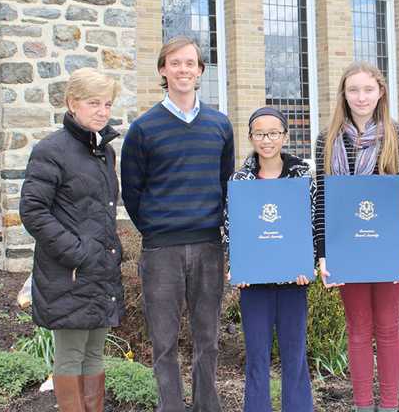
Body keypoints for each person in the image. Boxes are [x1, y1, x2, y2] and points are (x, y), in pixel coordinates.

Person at [121, 36, 234, 412]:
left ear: (201, 70)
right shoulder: (143, 128)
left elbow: (224, 182)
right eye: (175, 62)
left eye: (190, 63)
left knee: (208, 339)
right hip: (161, 250)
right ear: (162, 70)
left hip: (207, 246)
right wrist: (156, 228)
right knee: (164, 342)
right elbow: (132, 192)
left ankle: (207, 407)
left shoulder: (220, 125)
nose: (183, 69)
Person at [313, 61, 399, 412]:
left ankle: (389, 406)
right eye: (353, 90)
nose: (361, 97)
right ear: (343, 95)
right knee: (358, 330)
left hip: (389, 248)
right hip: (347, 250)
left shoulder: (397, 135)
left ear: (381, 92)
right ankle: (363, 405)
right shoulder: (326, 139)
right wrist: (323, 253)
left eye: (368, 89)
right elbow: (323, 202)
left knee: (389, 330)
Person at [20, 68, 124, 412]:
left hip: (98, 271)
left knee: (94, 353)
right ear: (72, 103)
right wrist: (77, 254)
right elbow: (33, 211)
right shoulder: (51, 150)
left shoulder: (104, 152)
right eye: (94, 102)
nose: (102, 111)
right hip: (70, 274)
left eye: (107, 103)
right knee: (70, 355)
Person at [223, 107, 315, 412]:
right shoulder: (239, 180)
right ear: (250, 137)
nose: (267, 140)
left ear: (285, 136)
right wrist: (236, 265)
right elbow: (229, 228)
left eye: (274, 133)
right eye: (260, 133)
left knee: (295, 356)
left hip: (293, 281)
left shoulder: (303, 177)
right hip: (255, 283)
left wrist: (308, 263)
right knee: (257, 358)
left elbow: (313, 224)